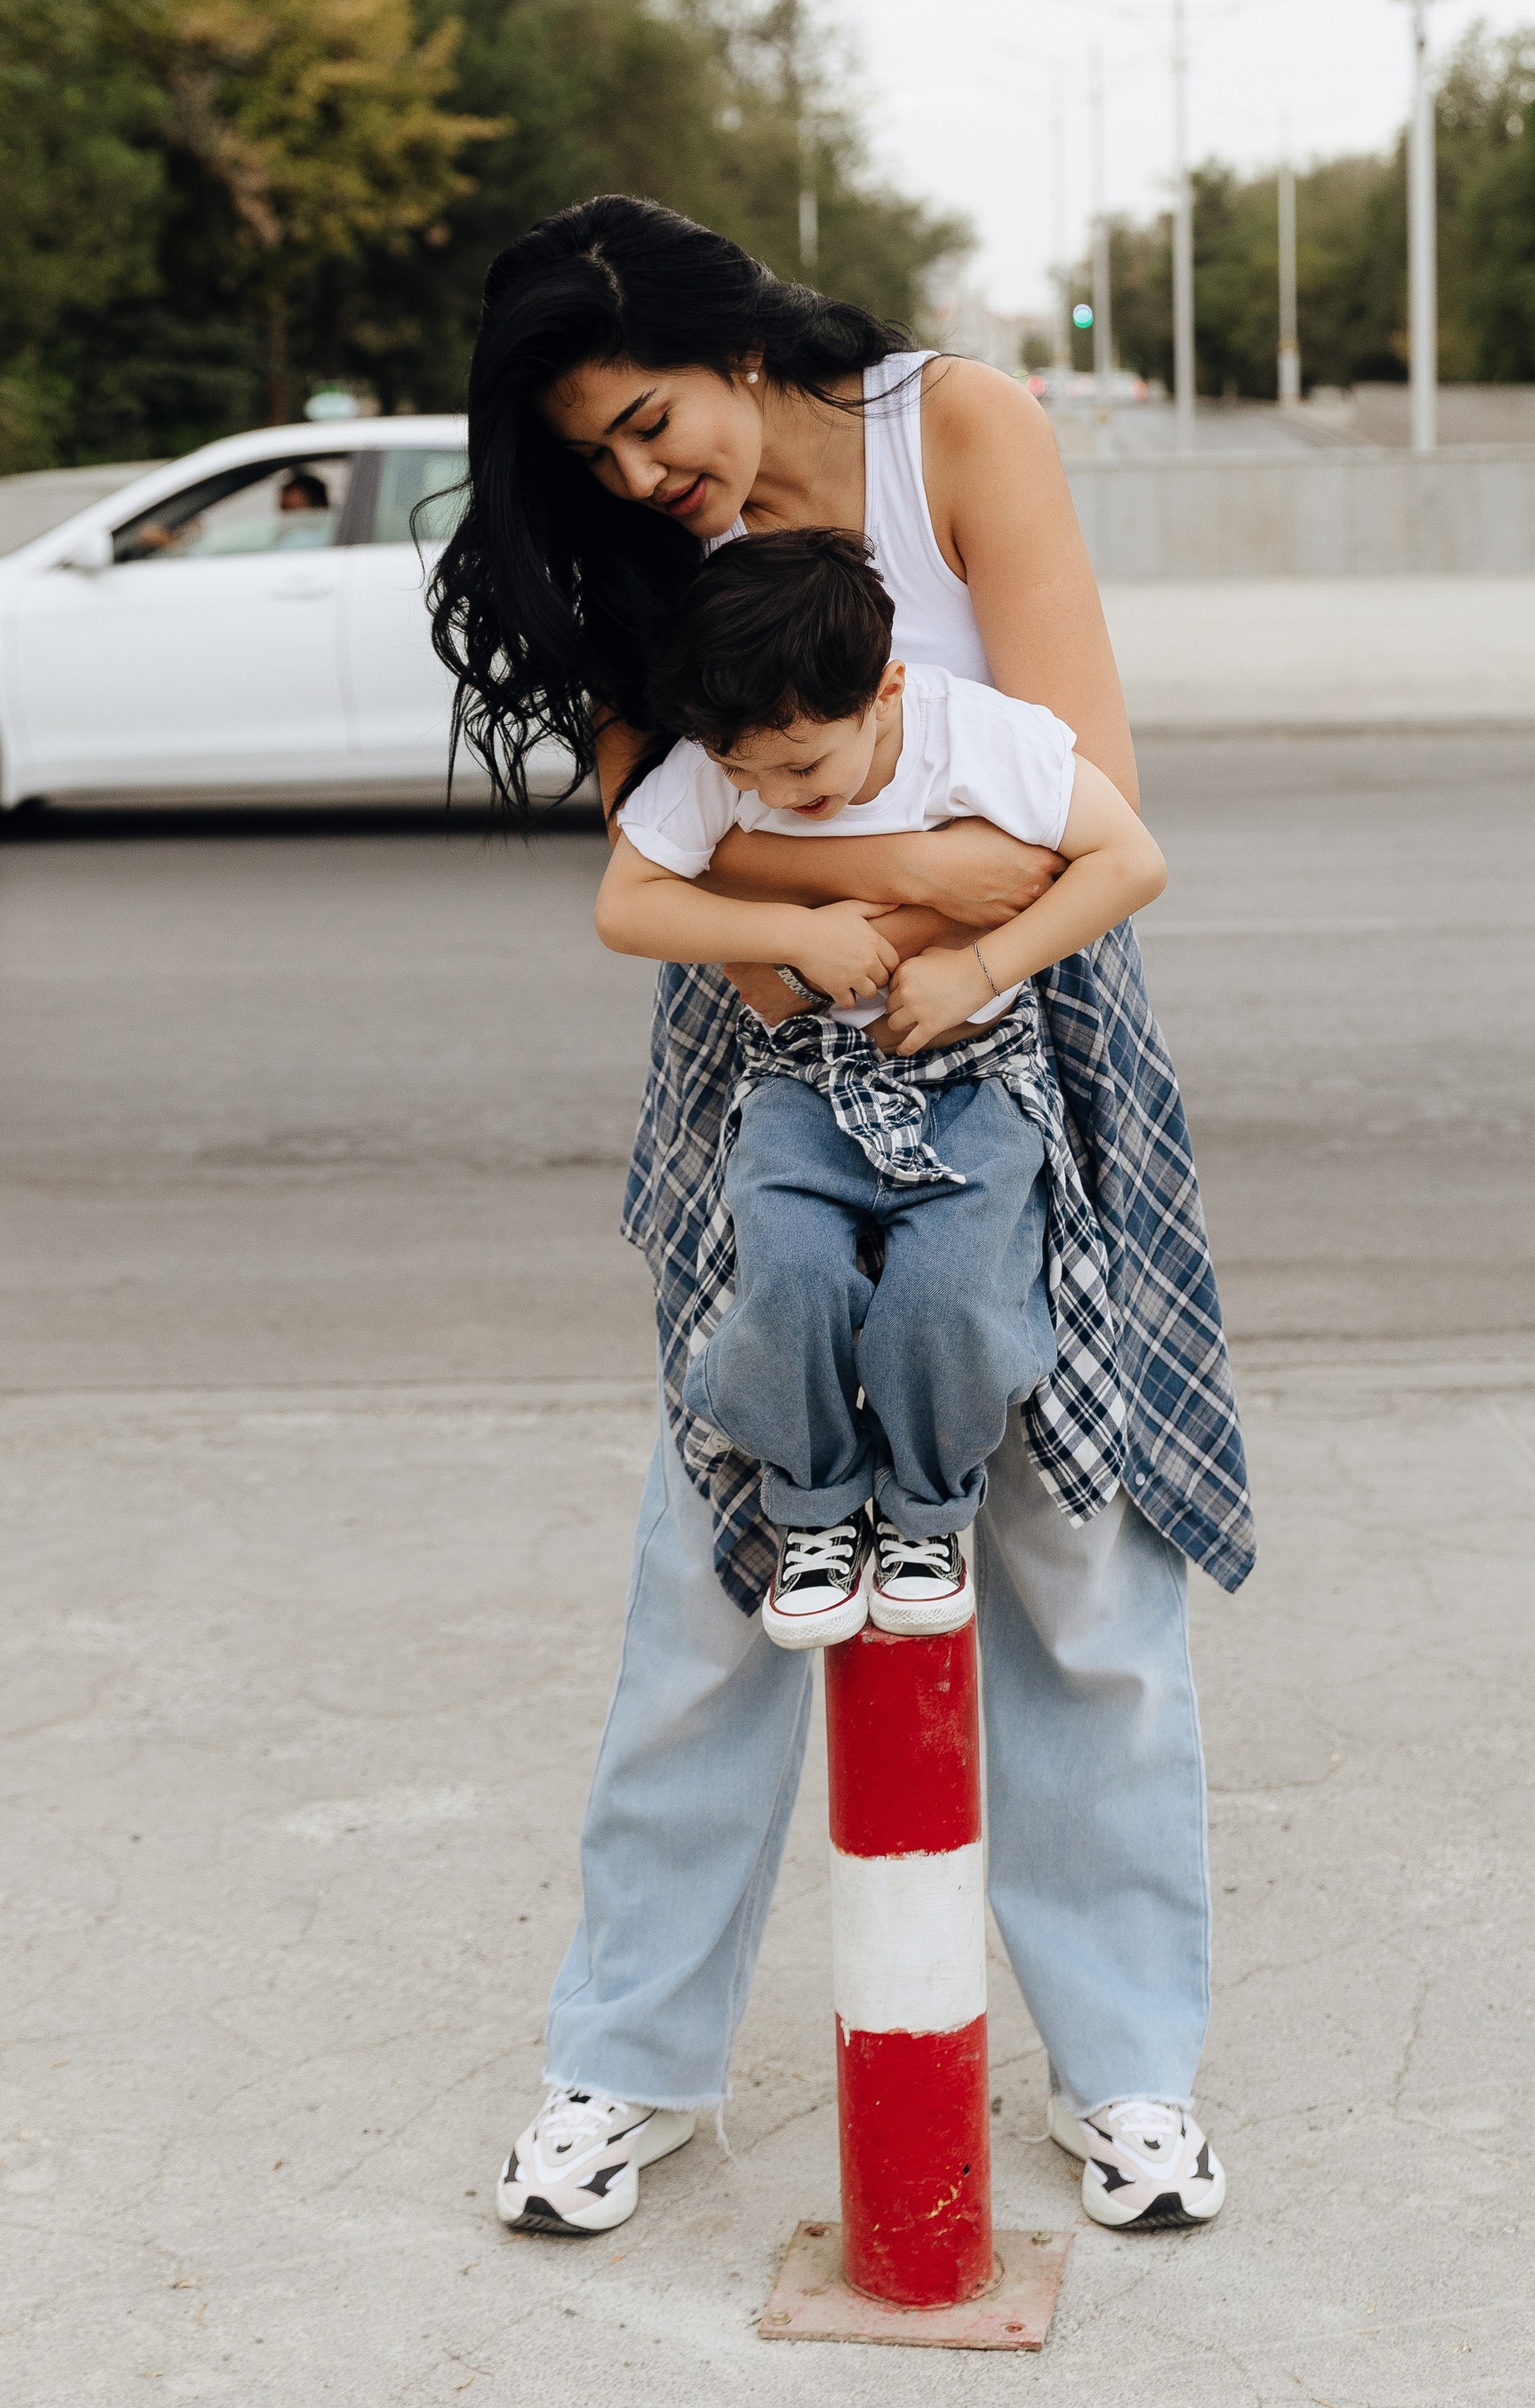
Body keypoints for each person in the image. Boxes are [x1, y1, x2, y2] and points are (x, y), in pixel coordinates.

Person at [432, 195, 1253, 2244]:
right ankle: (624, 2064)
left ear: (722, 337)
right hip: (767, 1054)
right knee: (715, 1574)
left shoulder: (950, 428)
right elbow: (666, 888)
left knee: (1078, 1565)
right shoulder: (643, 559)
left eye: (647, 420)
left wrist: (865, 900)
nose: (639, 475)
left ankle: (1132, 2071)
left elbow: (1082, 792)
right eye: (595, 458)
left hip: (1030, 1028)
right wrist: (886, 893)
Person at [597, 528, 1167, 1647]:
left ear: (886, 688)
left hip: (975, 1079)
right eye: (740, 772)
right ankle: (813, 1509)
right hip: (801, 1082)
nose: (771, 794)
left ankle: (923, 1513)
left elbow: (1129, 858)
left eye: (800, 766)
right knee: (791, 1275)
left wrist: (979, 968)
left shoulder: (975, 737)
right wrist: (787, 930)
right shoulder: (738, 747)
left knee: (946, 1296)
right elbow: (627, 903)